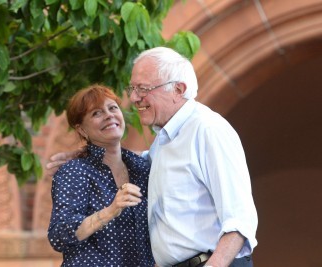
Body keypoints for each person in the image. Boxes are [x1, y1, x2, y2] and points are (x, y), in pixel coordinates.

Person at [47, 47, 258, 267]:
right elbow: (145, 160)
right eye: (133, 88)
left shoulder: (207, 130)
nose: (135, 98)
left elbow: (239, 216)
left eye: (143, 88)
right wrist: (84, 153)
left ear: (178, 89)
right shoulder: (163, 141)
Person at [47, 84, 155, 267]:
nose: (109, 115)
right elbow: (59, 236)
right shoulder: (75, 172)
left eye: (113, 108)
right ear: (81, 130)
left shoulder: (142, 169)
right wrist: (110, 211)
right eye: (96, 113)